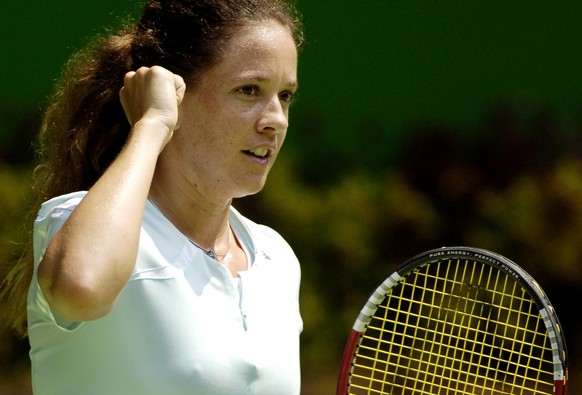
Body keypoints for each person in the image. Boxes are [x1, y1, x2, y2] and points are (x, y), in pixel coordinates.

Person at [2, 0, 304, 393]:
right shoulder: (75, 225)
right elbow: (81, 287)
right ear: (174, 93)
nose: (276, 119)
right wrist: (152, 123)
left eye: (285, 96)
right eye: (249, 90)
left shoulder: (276, 258)